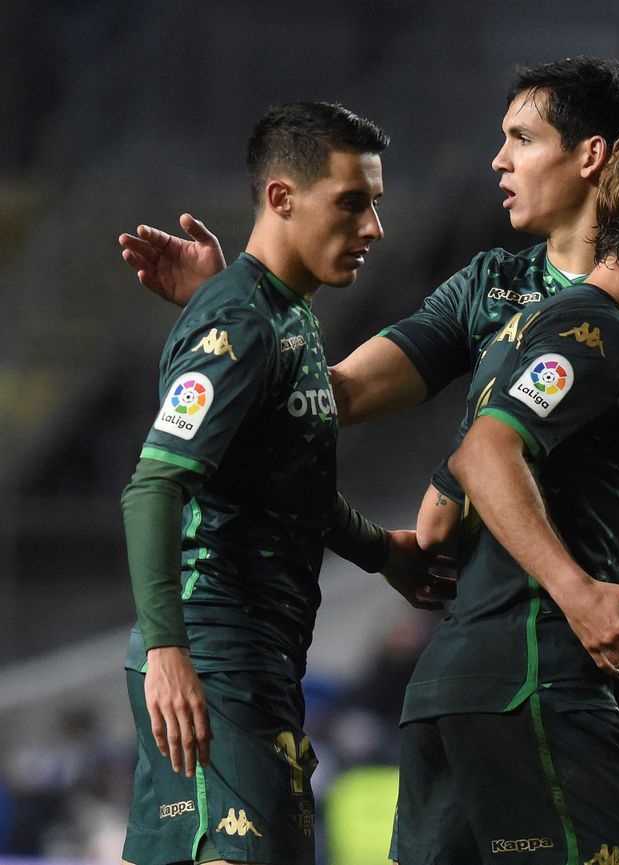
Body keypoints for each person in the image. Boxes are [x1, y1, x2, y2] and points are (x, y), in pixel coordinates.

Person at [116, 56, 619, 762]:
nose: (498, 160)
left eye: (521, 138)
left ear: (591, 156)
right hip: (492, 657)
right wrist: (236, 307)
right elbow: (334, 393)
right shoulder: (491, 287)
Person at [399, 125, 619, 865]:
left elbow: (443, 505)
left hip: (457, 685)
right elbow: (485, 453)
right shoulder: (596, 332)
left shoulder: (532, 327)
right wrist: (577, 589)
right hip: (534, 682)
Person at [120, 102, 444, 865]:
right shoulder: (240, 323)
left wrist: (379, 553)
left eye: (376, 204)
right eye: (352, 202)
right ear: (281, 198)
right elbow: (152, 486)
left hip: (248, 653)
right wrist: (170, 648)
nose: (374, 228)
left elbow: (284, 480)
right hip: (215, 650)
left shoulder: (285, 319)